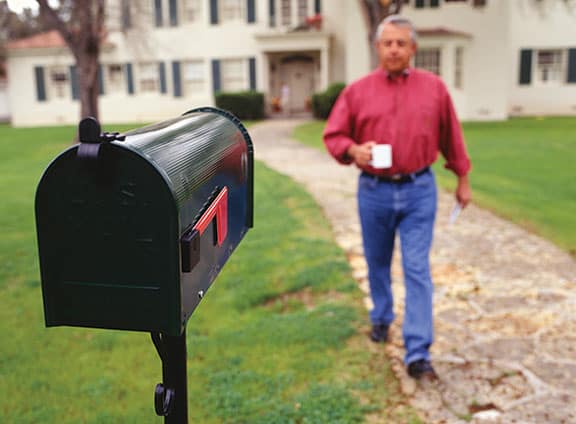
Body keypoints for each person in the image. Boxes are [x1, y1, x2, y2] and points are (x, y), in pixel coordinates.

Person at [323, 15, 471, 380]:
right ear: (377, 48)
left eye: (401, 43)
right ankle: (381, 317)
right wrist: (353, 150)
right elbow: (334, 136)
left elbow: (452, 137)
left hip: (420, 189)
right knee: (376, 262)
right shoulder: (357, 92)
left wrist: (463, 178)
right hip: (374, 191)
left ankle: (418, 352)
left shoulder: (434, 89)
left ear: (413, 48)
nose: (394, 49)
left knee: (417, 268)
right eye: (387, 42)